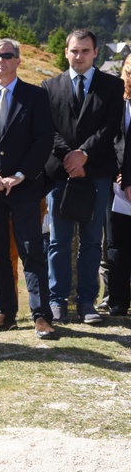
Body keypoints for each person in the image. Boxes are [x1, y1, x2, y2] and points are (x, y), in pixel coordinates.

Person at [0, 38, 56, 340]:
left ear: (18, 60)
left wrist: (20, 175)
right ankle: (5, 313)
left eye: (6, 56)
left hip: (25, 188)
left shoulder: (35, 96)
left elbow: (43, 141)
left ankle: (41, 316)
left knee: (32, 252)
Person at [41, 29, 125, 325]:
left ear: (96, 52)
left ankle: (87, 302)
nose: (79, 56)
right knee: (58, 241)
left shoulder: (113, 86)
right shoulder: (49, 87)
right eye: (74, 51)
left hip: (98, 173)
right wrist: (69, 158)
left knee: (92, 241)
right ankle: (57, 302)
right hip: (60, 175)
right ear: (66, 52)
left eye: (85, 51)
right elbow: (46, 128)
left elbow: (111, 126)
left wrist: (84, 155)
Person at [107, 55, 131, 316]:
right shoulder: (116, 103)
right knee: (116, 245)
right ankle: (118, 301)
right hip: (116, 185)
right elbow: (109, 139)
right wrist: (118, 173)